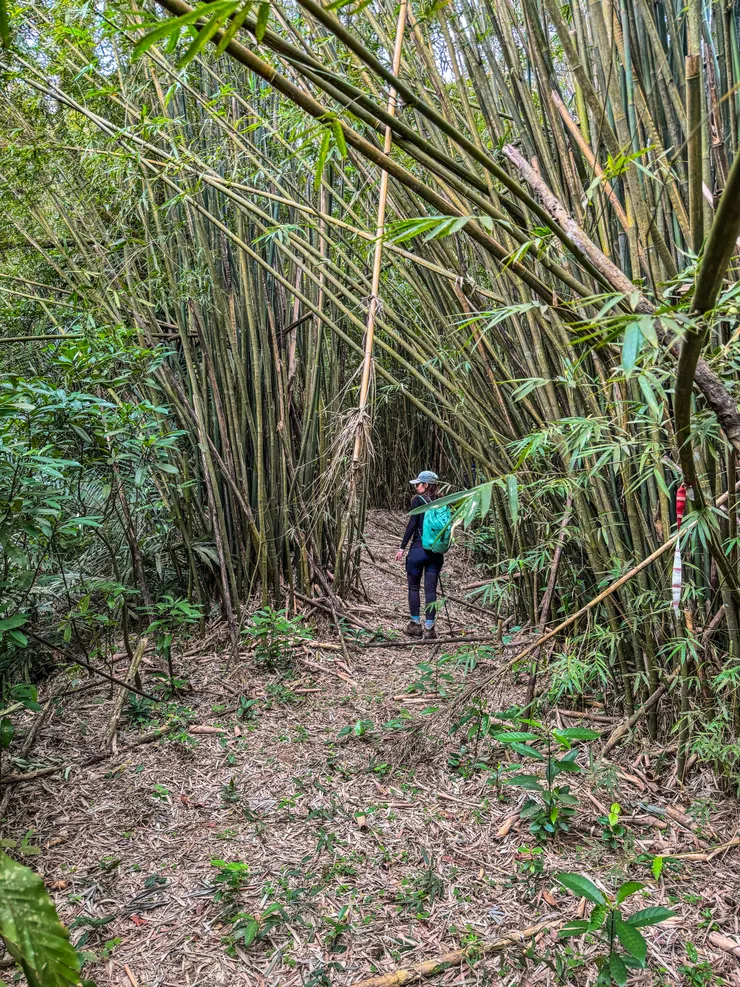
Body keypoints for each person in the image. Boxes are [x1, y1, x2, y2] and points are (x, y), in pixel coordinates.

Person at [395, 470, 444, 639]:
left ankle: (415, 625)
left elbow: (411, 524)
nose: (416, 487)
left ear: (426, 485)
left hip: (418, 551)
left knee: (414, 587)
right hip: (436, 553)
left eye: (418, 484)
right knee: (431, 590)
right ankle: (430, 628)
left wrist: (402, 547)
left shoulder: (418, 501)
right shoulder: (442, 501)